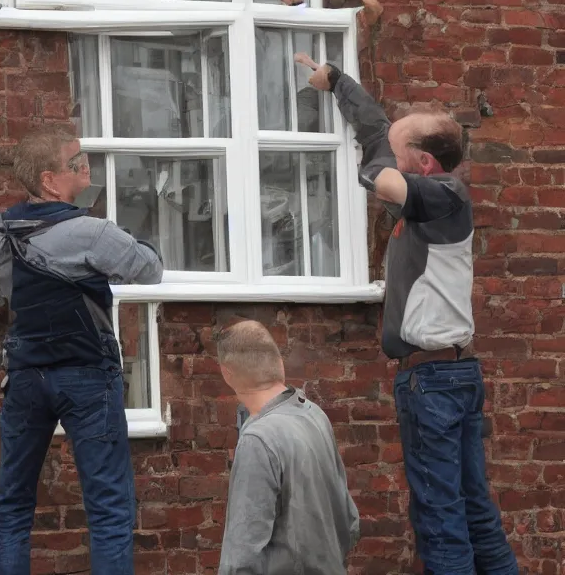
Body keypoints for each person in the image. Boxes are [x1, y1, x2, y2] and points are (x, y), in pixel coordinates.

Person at [295, 54, 519, 575]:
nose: (389, 158)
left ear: (422, 163)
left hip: (436, 381)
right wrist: (338, 82)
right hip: (449, 374)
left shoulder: (445, 195)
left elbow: (380, 174)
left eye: (400, 153)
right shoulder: (429, 198)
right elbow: (379, 136)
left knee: (442, 518)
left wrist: (375, 166)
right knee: (472, 508)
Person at [0, 126, 163, 575]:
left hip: (26, 379)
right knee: (109, 506)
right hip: (88, 376)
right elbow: (149, 268)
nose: (86, 170)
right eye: (78, 164)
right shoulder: (92, 231)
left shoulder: (0, 231)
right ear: (49, 180)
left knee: (14, 503)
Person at [216, 320, 360, 575]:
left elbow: (240, 560)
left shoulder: (258, 440)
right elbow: (349, 521)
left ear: (227, 373)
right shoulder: (314, 414)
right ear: (278, 363)